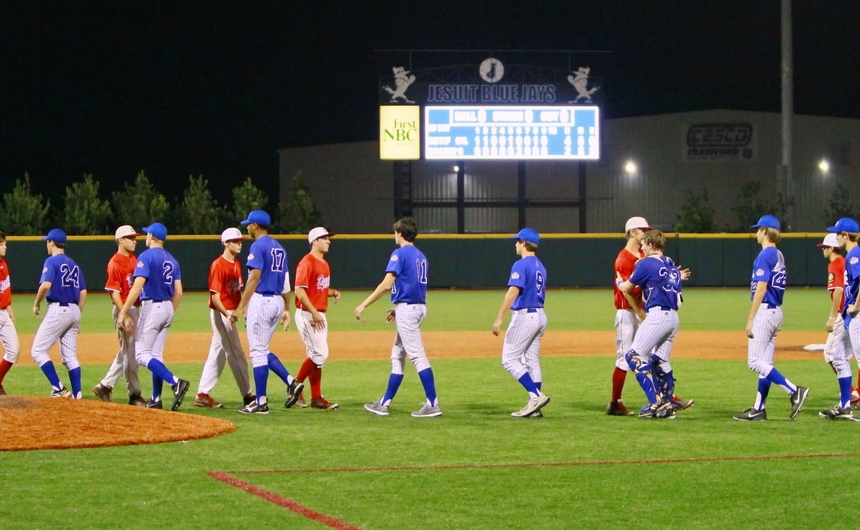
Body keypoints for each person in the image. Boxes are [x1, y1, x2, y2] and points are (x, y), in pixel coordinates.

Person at [356, 217, 441, 418]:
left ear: (400, 233)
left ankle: (433, 403)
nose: (394, 235)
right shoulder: (421, 256)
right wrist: (398, 307)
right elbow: (415, 285)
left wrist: (364, 304)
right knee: (397, 354)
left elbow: (387, 284)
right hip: (417, 306)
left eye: (395, 232)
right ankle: (384, 403)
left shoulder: (400, 253)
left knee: (417, 356)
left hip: (409, 309)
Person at [608, 217, 693, 416]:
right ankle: (616, 402)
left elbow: (629, 285)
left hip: (651, 314)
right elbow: (628, 292)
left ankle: (661, 400)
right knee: (633, 358)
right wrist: (639, 312)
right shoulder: (626, 258)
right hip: (632, 312)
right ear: (632, 232)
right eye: (642, 230)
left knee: (642, 356)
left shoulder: (645, 259)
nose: (645, 234)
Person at [733, 215, 809, 421]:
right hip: (776, 312)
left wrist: (750, 319)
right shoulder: (779, 254)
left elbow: (761, 288)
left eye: (758, 229)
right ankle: (759, 408)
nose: (756, 233)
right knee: (765, 364)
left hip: (765, 311)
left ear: (765, 231)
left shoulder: (765, 255)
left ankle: (794, 390)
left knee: (754, 361)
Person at [230, 210, 303, 415]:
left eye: (249, 224)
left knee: (257, 352)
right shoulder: (279, 248)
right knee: (262, 349)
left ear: (255, 225)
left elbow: (254, 277)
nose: (247, 227)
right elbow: (286, 282)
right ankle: (291, 382)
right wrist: (286, 308)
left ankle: (261, 402)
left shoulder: (258, 245)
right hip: (278, 301)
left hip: (262, 300)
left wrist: (240, 306)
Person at [117, 222, 191, 411]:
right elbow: (179, 292)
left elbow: (137, 286)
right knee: (156, 355)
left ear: (152, 236)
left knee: (141, 354)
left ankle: (175, 382)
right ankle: (156, 399)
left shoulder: (146, 256)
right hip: (168, 307)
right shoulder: (173, 260)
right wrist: (169, 311)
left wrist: (123, 312)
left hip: (153, 307)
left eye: (147, 234)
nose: (146, 237)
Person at [492, 227, 551, 418]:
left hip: (525, 316)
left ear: (524, 243)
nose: (515, 244)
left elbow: (513, 292)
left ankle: (536, 396)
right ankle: (535, 408)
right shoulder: (541, 266)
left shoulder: (521, 264)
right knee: (532, 360)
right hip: (540, 315)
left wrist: (499, 318)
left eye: (517, 241)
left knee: (509, 360)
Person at [194, 227, 255, 409]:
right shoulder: (218, 265)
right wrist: (227, 314)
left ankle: (202, 394)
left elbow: (237, 291)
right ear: (226, 243)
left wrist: (242, 309)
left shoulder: (236, 264)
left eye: (240, 241)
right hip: (222, 314)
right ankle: (248, 395)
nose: (239, 244)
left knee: (217, 354)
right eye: (235, 241)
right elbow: (215, 297)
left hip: (231, 312)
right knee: (236, 353)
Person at [92, 225, 146, 406]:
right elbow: (114, 293)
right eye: (130, 238)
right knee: (131, 355)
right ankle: (134, 394)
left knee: (127, 352)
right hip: (124, 310)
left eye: (135, 238)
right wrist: (125, 314)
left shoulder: (133, 259)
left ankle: (105, 386)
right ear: (120, 240)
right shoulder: (115, 263)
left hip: (133, 309)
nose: (134, 241)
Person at [30, 228, 87, 398]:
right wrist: (77, 314)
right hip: (74, 310)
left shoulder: (51, 262)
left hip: (58, 309)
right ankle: (77, 394)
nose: (46, 244)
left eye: (47, 241)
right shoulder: (74, 264)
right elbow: (83, 292)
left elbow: (45, 286)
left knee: (38, 350)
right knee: (70, 356)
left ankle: (59, 388)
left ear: (52, 242)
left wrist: (36, 304)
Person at [289, 226, 341, 411]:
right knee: (320, 354)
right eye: (324, 238)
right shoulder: (306, 262)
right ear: (314, 241)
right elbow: (299, 291)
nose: (328, 241)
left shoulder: (324, 264)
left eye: (328, 238)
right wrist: (314, 312)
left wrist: (332, 292)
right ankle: (294, 386)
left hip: (318, 314)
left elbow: (318, 288)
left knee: (316, 357)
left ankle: (316, 398)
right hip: (308, 315)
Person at [822, 218, 860, 419]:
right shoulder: (851, 256)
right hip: (849, 315)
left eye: (838, 234)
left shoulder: (854, 255)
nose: (836, 237)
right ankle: (845, 405)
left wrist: (855, 306)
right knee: (837, 356)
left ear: (846, 236)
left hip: (857, 313)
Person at [0, 231, 20, 395]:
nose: (5, 247)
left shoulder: (3, 264)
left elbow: (5, 288)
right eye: (1, 244)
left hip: (4, 312)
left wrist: (9, 306)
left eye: (5, 244)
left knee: (14, 350)